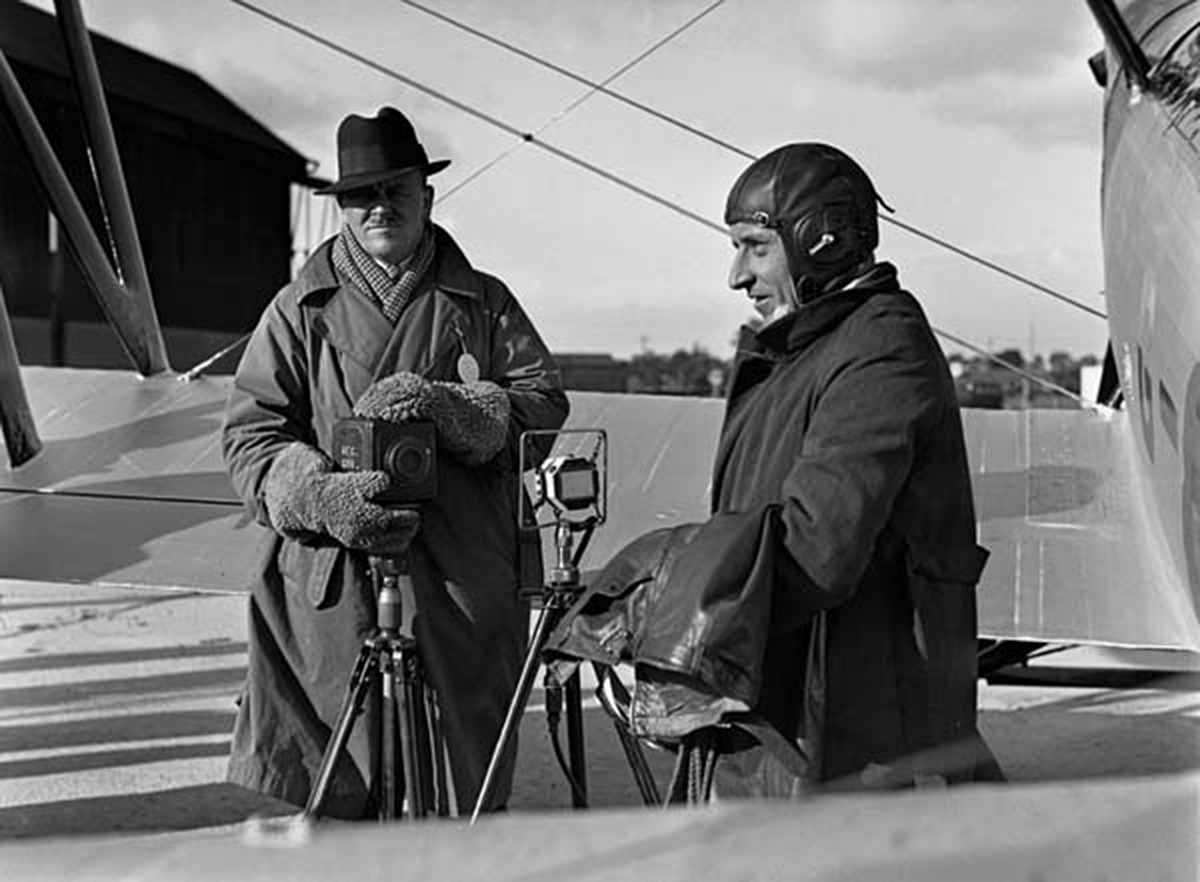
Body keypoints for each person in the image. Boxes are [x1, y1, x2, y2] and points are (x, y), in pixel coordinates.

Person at [548, 142, 1001, 797]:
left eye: (756, 248)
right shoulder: (813, 348)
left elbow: (815, 545)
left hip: (854, 737)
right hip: (790, 710)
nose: (737, 275)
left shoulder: (881, 349)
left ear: (821, 242)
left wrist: (661, 604)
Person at [222, 106, 569, 817]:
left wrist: (458, 411)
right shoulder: (296, 310)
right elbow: (252, 435)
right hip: (335, 566)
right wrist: (317, 496)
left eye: (396, 190)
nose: (380, 206)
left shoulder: (485, 303)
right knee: (338, 782)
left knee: (464, 781)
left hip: (461, 561)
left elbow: (542, 402)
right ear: (343, 207)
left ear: (427, 196)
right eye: (363, 194)